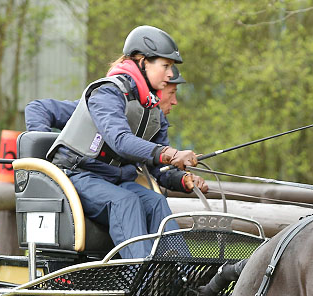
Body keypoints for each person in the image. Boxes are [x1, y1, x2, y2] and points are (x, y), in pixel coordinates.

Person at [45, 25, 202, 259]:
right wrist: (170, 153)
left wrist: (184, 179)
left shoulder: (152, 110)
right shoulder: (108, 92)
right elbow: (120, 141)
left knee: (157, 203)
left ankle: (183, 277)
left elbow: (159, 168)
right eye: (165, 66)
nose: (170, 74)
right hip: (77, 175)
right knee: (125, 202)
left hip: (113, 180)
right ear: (141, 61)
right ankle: (142, 283)